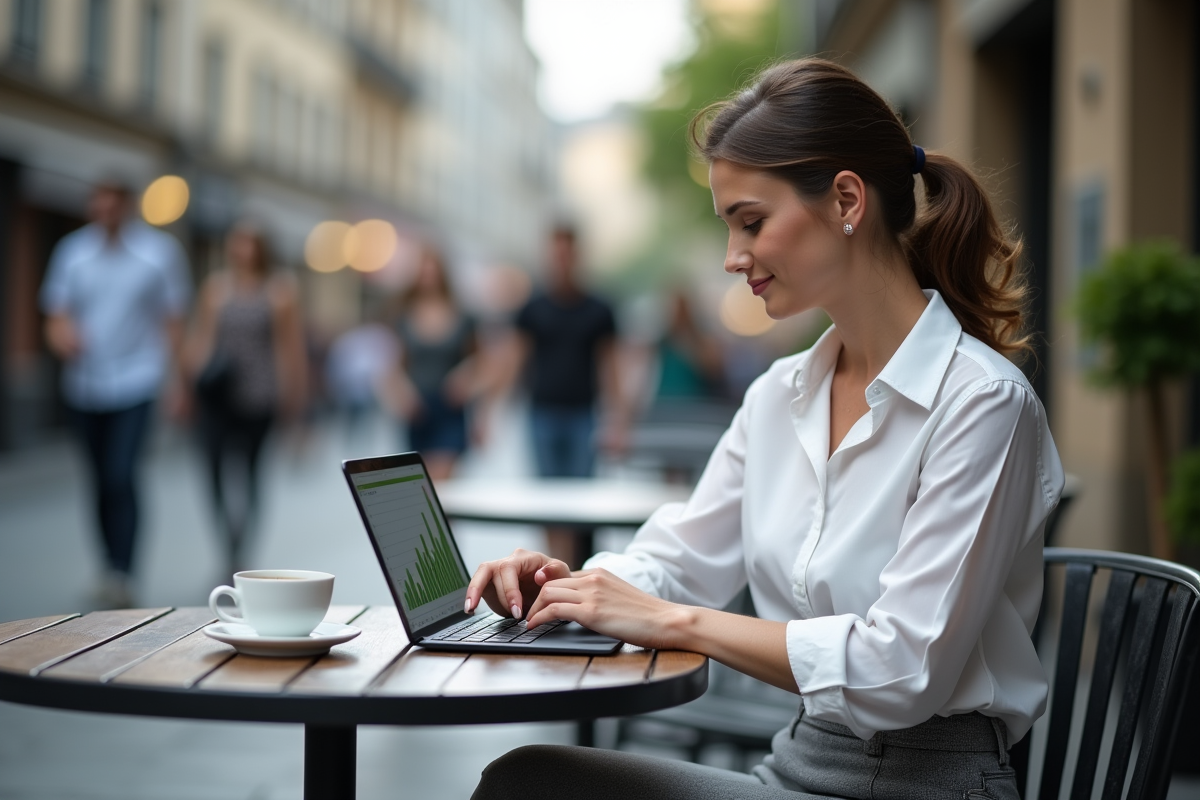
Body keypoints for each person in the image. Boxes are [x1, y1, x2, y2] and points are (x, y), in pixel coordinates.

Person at [467, 58, 1064, 800]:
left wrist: (675, 622)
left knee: (533, 786)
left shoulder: (982, 404)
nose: (732, 258)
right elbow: (681, 558)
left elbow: (902, 669)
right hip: (798, 764)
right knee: (531, 779)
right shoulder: (780, 396)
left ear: (847, 199)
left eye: (751, 222)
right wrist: (567, 589)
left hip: (927, 786)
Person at [40, 179, 191, 608]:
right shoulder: (72, 252)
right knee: (98, 480)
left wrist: (177, 382)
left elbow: (173, 321)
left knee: (121, 473)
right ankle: (107, 564)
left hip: (137, 380)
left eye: (113, 206)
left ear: (126, 207)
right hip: (85, 384)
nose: (105, 214)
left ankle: (124, 571)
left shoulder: (159, 253)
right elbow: (56, 315)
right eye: (98, 206)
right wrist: (63, 338)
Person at [185, 224, 307, 575]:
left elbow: (289, 348)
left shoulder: (279, 291)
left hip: (258, 396)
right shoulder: (216, 289)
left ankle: (242, 547)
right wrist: (186, 382)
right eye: (236, 243)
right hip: (217, 394)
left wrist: (294, 399)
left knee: (251, 474)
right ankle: (228, 542)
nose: (241, 250)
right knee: (213, 472)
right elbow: (204, 338)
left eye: (249, 243)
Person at [508, 224, 627, 566]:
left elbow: (611, 365)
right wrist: (487, 411)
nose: (560, 260)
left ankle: (571, 572)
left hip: (583, 416)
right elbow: (516, 359)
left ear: (576, 255)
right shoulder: (532, 308)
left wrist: (619, 421)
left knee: (579, 501)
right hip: (541, 414)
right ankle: (550, 567)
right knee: (546, 500)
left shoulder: (598, 308)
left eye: (566, 252)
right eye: (555, 253)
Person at [380, 247, 482, 482]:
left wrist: (467, 379)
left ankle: (444, 519)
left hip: (450, 406)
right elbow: (392, 365)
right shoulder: (403, 316)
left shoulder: (462, 315)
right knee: (420, 483)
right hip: (418, 408)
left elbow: (481, 361)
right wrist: (400, 395)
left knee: (443, 483)